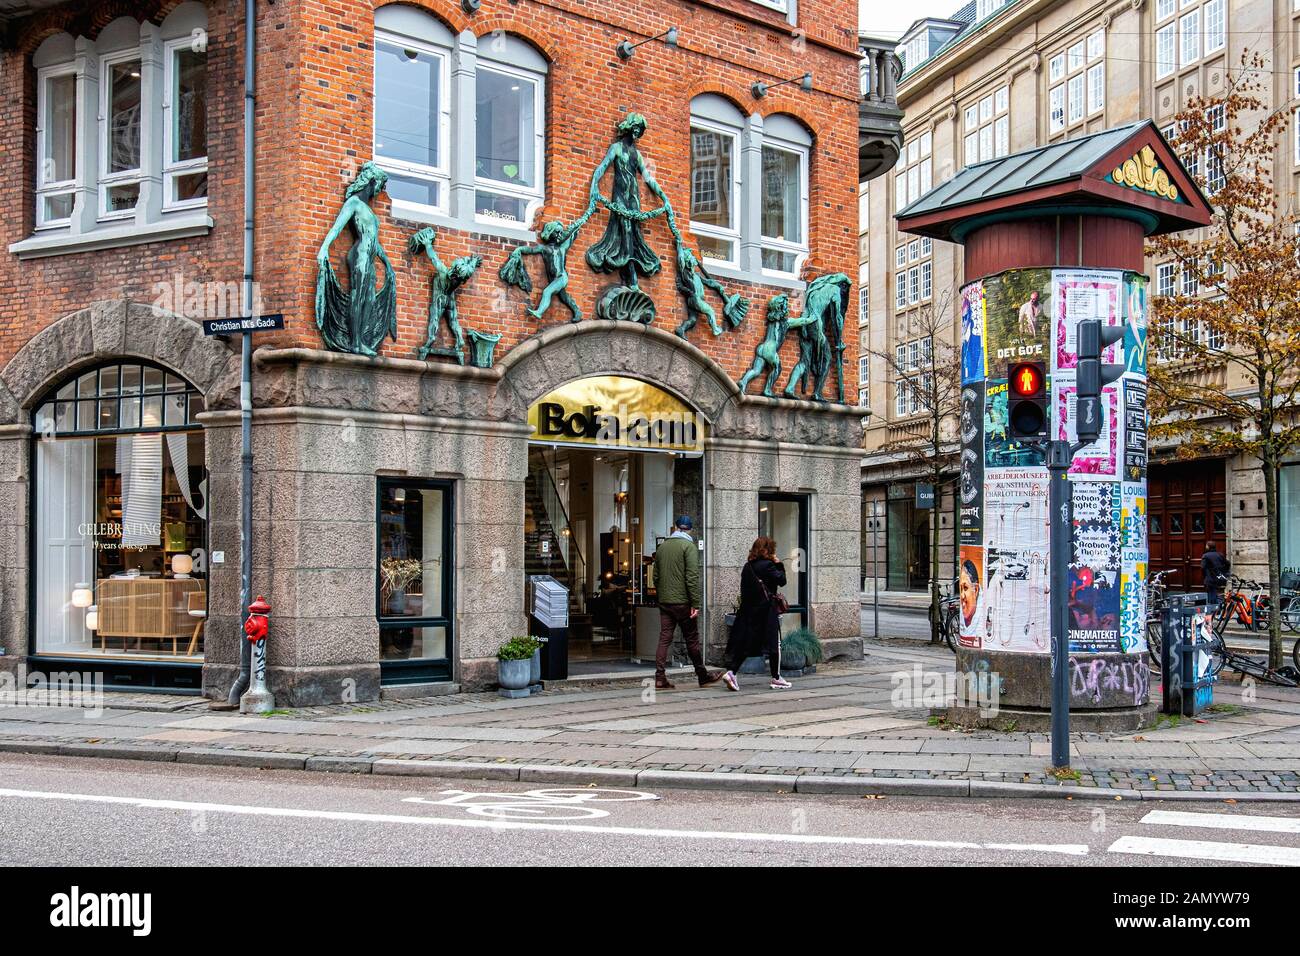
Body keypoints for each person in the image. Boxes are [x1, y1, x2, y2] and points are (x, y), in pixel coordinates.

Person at [651, 516, 721, 690]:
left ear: (675, 527)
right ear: (690, 529)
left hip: (665, 602)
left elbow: (655, 577)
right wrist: (695, 604)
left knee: (664, 638)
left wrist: (662, 596)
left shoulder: (662, 547)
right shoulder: (688, 546)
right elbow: (691, 577)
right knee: (692, 640)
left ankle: (660, 677)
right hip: (682, 602)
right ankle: (702, 676)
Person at [721, 537, 791, 691]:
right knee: (774, 644)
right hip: (766, 610)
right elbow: (782, 581)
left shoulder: (748, 567)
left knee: (747, 644)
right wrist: (779, 564)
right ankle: (776, 677)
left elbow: (744, 590)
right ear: (769, 550)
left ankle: (732, 672)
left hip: (748, 610)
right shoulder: (769, 566)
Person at [1201, 542, 1230, 607]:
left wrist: (1205, 575)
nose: (1206, 547)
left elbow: (1202, 567)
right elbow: (1227, 563)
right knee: (1214, 592)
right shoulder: (1220, 554)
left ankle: (1215, 609)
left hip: (1210, 578)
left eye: (1206, 546)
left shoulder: (1205, 556)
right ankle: (1217, 608)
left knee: (1211, 594)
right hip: (1219, 577)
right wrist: (1224, 572)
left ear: (1208, 547)